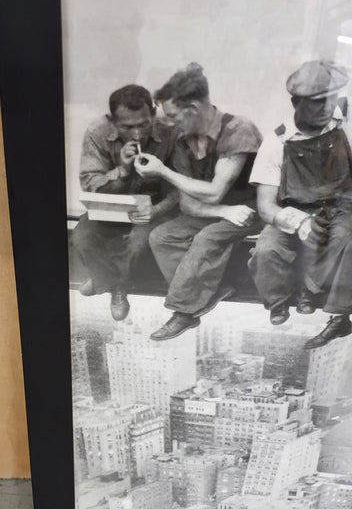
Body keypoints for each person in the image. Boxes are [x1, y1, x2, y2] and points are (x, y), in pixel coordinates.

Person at [133, 63, 263, 340]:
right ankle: (211, 291)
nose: (167, 122)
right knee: (162, 236)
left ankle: (183, 313)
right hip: (223, 209)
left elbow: (215, 191)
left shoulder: (238, 129)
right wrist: (223, 210)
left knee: (207, 238)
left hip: (252, 208)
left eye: (172, 115)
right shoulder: (182, 139)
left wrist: (163, 171)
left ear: (192, 108)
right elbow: (188, 202)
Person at [248, 59, 352, 349]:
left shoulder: (344, 127)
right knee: (267, 250)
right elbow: (266, 207)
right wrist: (298, 222)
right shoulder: (276, 141)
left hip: (339, 208)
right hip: (291, 210)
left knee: (344, 237)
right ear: (296, 102)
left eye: (329, 100)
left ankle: (317, 297)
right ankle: (278, 302)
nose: (325, 109)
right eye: (317, 103)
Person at [69, 84, 178, 321]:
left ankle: (107, 282)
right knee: (81, 237)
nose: (137, 134)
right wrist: (124, 170)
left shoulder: (171, 131)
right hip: (110, 206)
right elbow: (90, 184)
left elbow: (182, 187)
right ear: (112, 120)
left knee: (138, 244)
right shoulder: (97, 132)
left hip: (154, 209)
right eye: (128, 127)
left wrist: (156, 210)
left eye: (144, 124)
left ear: (152, 113)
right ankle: (110, 282)